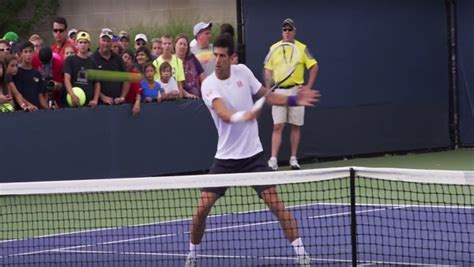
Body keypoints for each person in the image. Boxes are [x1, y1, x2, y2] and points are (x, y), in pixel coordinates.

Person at [184, 34, 320, 267]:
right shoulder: (208, 84)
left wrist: (294, 100)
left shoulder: (244, 73)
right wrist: (244, 116)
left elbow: (269, 96)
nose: (217, 60)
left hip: (253, 156)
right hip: (225, 158)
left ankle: (301, 254)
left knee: (276, 204)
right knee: (202, 209)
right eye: (215, 55)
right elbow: (223, 114)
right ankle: (193, 256)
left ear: (231, 58)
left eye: (222, 56)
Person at [266, 18, 319, 171]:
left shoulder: (302, 48)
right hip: (279, 91)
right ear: (282, 32)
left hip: (297, 92)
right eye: (284, 30)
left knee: (295, 126)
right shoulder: (274, 48)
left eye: (290, 29)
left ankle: (293, 159)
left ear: (294, 31)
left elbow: (314, 66)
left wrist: (308, 87)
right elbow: (268, 69)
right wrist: (268, 88)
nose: (287, 32)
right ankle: (273, 160)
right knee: (278, 126)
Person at [92, 28, 129, 105]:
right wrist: (102, 97)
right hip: (99, 105)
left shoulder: (118, 58)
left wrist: (122, 97)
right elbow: (90, 83)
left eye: (108, 41)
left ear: (112, 42)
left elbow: (126, 79)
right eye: (103, 40)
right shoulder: (92, 59)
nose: (106, 43)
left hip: (117, 104)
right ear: (99, 41)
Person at [63, 31, 100, 107]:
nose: (83, 45)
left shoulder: (93, 62)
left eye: (85, 42)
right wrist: (72, 95)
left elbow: (97, 83)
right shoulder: (70, 60)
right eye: (81, 42)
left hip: (89, 105)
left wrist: (95, 100)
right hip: (74, 103)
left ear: (89, 45)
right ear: (76, 44)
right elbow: (67, 79)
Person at [12, 41, 48, 110]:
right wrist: (29, 106)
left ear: (34, 53)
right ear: (21, 54)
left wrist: (47, 109)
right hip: (23, 111)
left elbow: (40, 95)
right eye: (25, 52)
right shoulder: (16, 73)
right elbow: (18, 94)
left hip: (37, 110)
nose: (28, 54)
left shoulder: (37, 73)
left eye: (30, 51)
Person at [174, 33, 203, 98]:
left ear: (187, 48)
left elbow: (201, 75)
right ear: (175, 45)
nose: (182, 46)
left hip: (197, 97)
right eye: (180, 44)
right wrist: (188, 95)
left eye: (185, 45)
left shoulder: (192, 58)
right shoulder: (171, 60)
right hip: (180, 97)